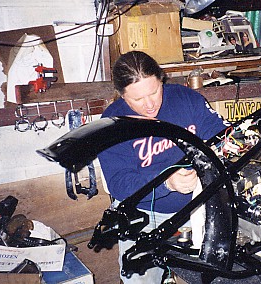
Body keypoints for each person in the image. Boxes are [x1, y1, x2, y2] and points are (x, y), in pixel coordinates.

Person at [98, 51, 229, 283]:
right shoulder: (111, 124)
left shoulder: (186, 99)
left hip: (197, 210)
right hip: (145, 218)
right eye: (138, 99)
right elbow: (119, 184)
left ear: (162, 79)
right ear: (121, 95)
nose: (149, 105)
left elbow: (221, 138)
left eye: (154, 91)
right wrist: (166, 182)